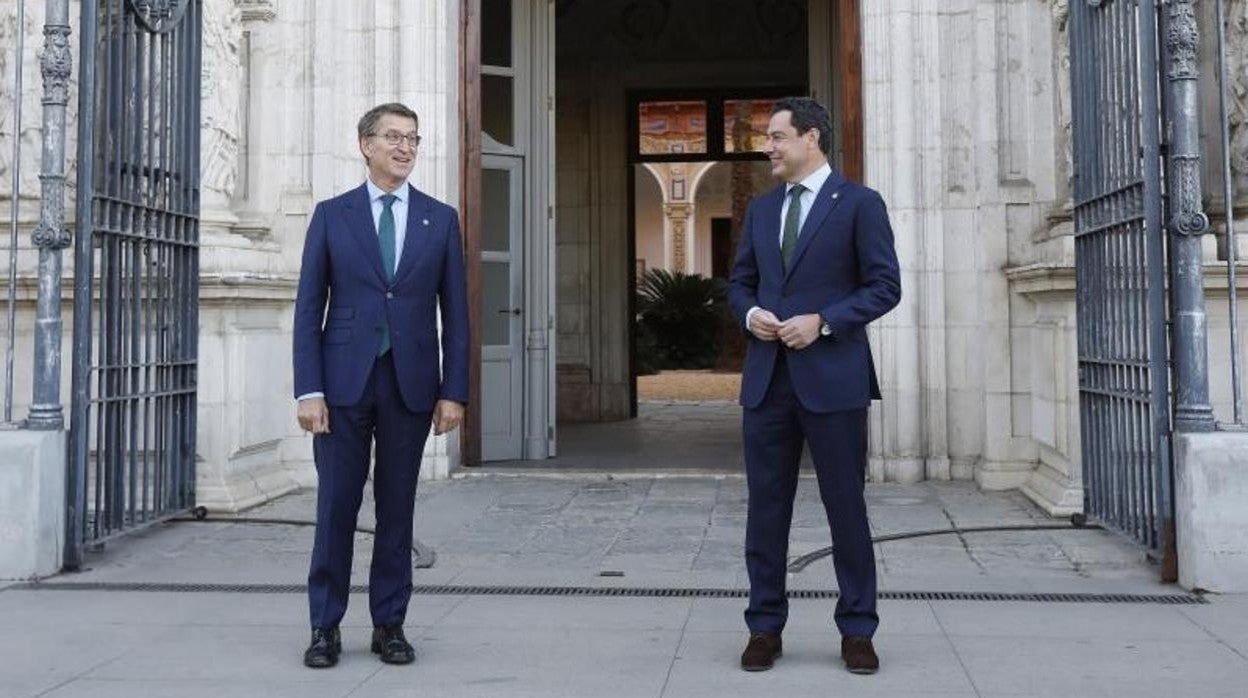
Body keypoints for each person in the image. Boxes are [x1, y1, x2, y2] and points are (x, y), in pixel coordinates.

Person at [292, 102, 469, 669]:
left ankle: (389, 623)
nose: (405, 148)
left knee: (398, 510)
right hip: (342, 385)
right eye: (393, 137)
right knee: (336, 507)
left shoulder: (439, 220)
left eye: (413, 139)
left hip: (411, 385)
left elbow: (457, 315)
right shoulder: (331, 215)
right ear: (365, 144)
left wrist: (454, 390)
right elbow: (307, 310)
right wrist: (308, 390)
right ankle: (325, 626)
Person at [728, 96, 901, 674]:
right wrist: (752, 316)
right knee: (765, 512)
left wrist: (822, 321)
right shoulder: (761, 209)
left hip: (834, 382)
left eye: (777, 137)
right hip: (767, 382)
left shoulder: (859, 204)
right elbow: (741, 284)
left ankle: (858, 630)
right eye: (768, 138)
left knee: (845, 510)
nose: (768, 147)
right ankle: (763, 627)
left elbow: (884, 286)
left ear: (812, 139)